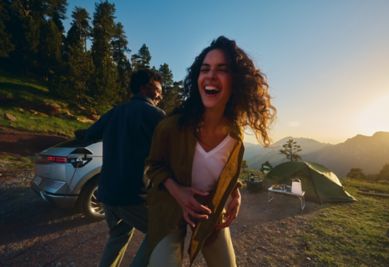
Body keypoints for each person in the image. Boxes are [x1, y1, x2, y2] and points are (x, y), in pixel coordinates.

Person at [145, 36, 276, 267]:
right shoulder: (171, 127)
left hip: (208, 213)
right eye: (205, 69)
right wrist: (179, 194)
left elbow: (226, 171)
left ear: (236, 81)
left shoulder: (235, 137)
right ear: (198, 77)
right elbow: (151, 167)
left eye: (222, 69)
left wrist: (235, 191)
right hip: (169, 210)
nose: (211, 76)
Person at [83, 69, 165, 267]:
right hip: (132, 196)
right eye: (158, 90)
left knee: (118, 236)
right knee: (161, 232)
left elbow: (87, 135)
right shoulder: (156, 115)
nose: (160, 96)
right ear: (144, 87)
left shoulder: (114, 112)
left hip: (107, 194)